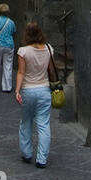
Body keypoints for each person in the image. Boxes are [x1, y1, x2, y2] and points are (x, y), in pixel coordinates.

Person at [15, 22, 57, 168]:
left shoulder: (23, 51)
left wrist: (17, 90)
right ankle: (42, 159)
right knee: (44, 124)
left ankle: (27, 153)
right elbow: (51, 70)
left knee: (26, 122)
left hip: (28, 90)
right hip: (44, 90)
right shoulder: (48, 48)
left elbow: (21, 72)